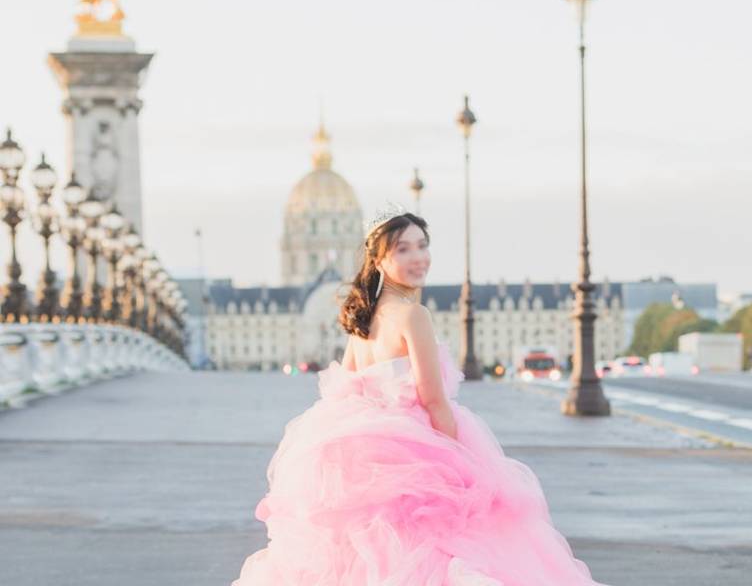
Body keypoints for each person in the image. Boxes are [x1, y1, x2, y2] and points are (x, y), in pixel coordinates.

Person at [233, 205, 606, 585]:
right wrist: (461, 467)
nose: (418, 258)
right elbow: (434, 400)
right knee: (448, 555)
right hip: (419, 453)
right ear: (378, 260)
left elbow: (344, 389)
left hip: (369, 459)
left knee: (370, 560)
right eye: (403, 249)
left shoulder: (362, 321)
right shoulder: (414, 316)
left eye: (422, 245)